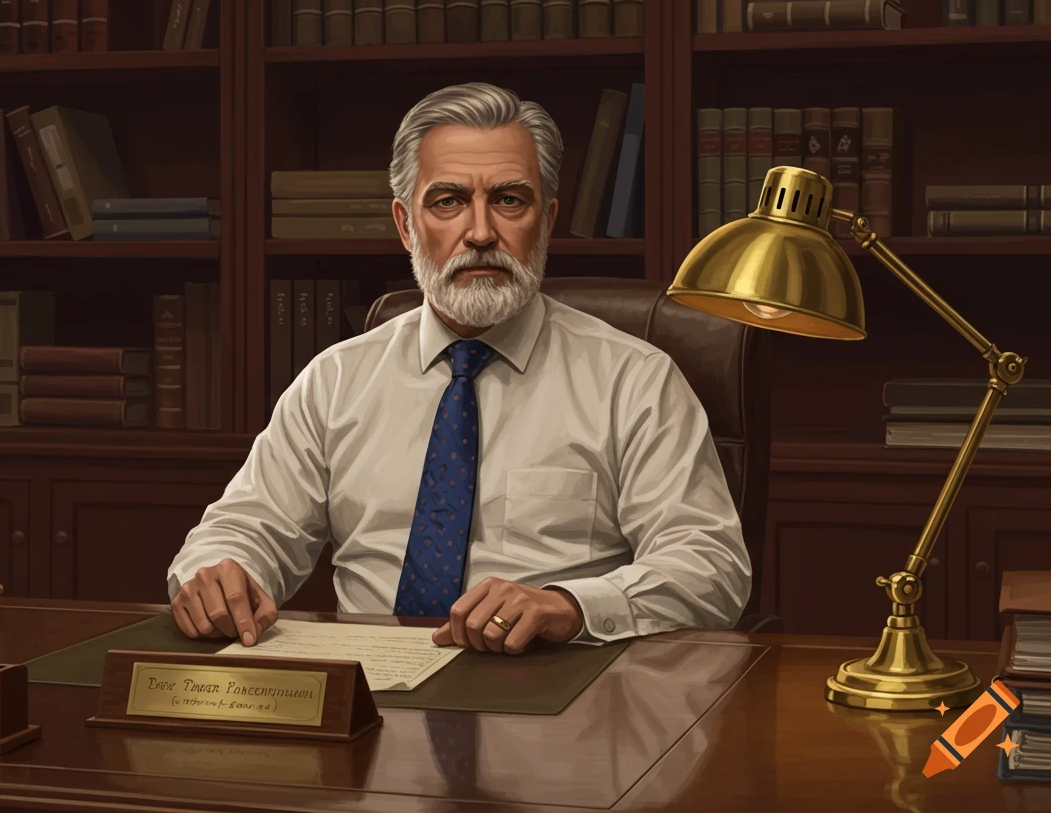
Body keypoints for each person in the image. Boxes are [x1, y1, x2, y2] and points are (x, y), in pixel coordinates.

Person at [167, 82, 751, 655]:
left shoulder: (635, 381)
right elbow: (245, 528)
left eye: (509, 200)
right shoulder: (336, 381)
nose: (480, 233)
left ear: (547, 220)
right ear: (405, 225)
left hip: (554, 689)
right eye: (447, 201)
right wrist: (219, 574)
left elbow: (711, 568)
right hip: (369, 689)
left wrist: (571, 606)